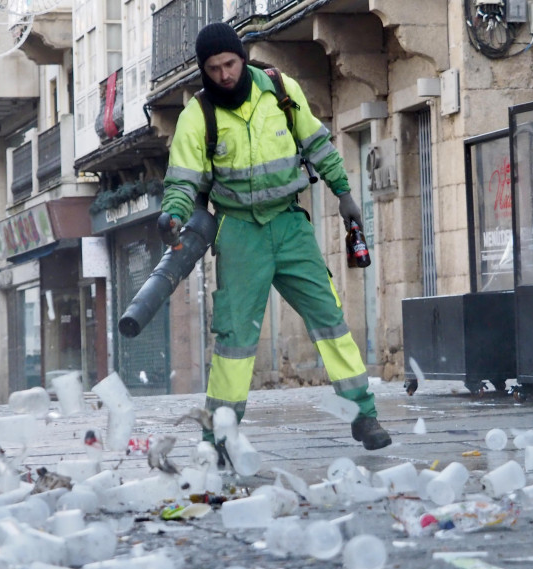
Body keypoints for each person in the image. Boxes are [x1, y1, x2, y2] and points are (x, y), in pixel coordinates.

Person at [160, 22, 391, 452]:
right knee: (235, 341)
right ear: (203, 71)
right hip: (239, 232)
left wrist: (345, 194)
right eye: (214, 68)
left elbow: (319, 145)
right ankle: (220, 435)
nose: (224, 74)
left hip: (289, 225)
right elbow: (183, 181)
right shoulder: (199, 115)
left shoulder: (281, 91)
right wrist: (172, 214)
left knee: (331, 319)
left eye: (230, 63)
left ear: (242, 58)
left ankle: (364, 415)